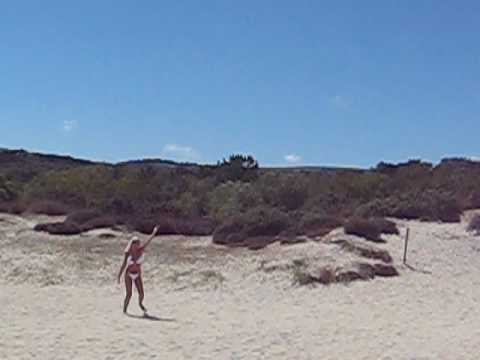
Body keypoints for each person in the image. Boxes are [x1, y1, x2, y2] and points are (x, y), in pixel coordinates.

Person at [118, 225, 159, 314]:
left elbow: (148, 241)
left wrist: (154, 232)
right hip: (128, 274)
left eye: (138, 243)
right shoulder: (127, 254)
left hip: (137, 274)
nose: (137, 245)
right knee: (129, 294)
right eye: (135, 243)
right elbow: (123, 265)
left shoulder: (141, 250)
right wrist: (119, 276)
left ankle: (140, 304)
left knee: (141, 293)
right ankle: (124, 310)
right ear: (131, 244)